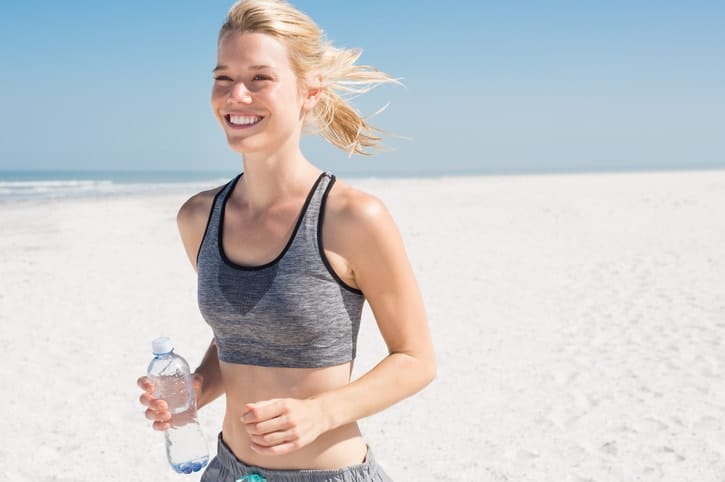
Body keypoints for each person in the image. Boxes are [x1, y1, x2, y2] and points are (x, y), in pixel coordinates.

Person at [137, 0, 435, 480]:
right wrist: (198, 386)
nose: (236, 94)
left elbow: (416, 360)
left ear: (309, 89)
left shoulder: (353, 217)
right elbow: (238, 337)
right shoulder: (199, 218)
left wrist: (322, 412)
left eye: (260, 78)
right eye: (223, 77)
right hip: (227, 470)